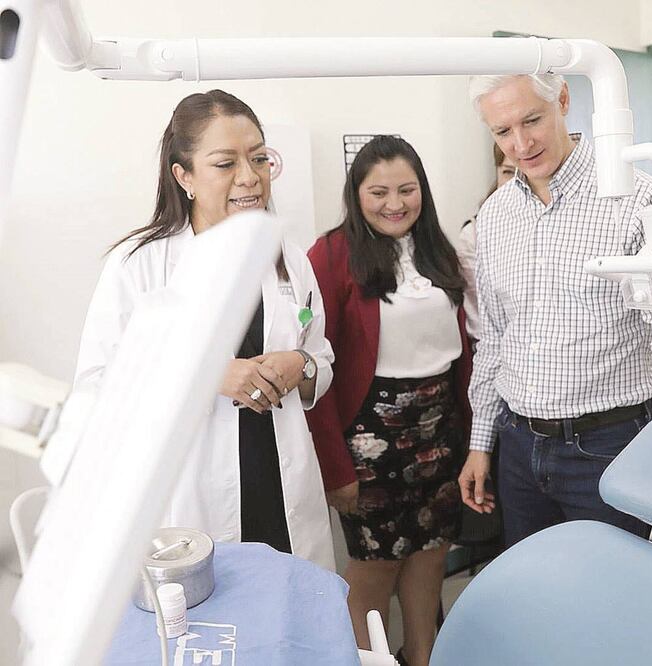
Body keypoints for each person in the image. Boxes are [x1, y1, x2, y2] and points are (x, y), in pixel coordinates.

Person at [73, 90, 336, 570]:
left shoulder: (290, 261)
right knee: (209, 631)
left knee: (286, 617)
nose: (250, 177)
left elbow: (320, 357)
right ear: (184, 176)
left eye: (259, 158)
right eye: (225, 163)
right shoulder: (139, 267)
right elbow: (95, 389)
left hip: (281, 483)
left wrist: (300, 364)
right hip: (189, 497)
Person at [458, 74, 652, 547]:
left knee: (611, 601)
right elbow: (494, 337)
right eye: (501, 132)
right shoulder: (494, 216)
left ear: (563, 99)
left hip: (608, 445)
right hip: (518, 445)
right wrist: (481, 441)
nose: (521, 144)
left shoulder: (638, 197)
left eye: (531, 120)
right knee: (535, 596)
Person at [306, 135, 472, 666]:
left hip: (442, 429)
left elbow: (463, 351)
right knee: (373, 569)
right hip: (370, 441)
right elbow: (316, 373)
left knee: (429, 556)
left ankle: (422, 656)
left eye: (407, 189)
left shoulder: (439, 249)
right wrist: (336, 469)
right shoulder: (330, 255)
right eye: (378, 192)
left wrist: (474, 443)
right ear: (356, 195)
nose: (394, 203)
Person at [456, 143, 517, 339]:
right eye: (508, 172)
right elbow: (478, 313)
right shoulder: (475, 233)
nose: (516, 182)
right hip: (495, 347)